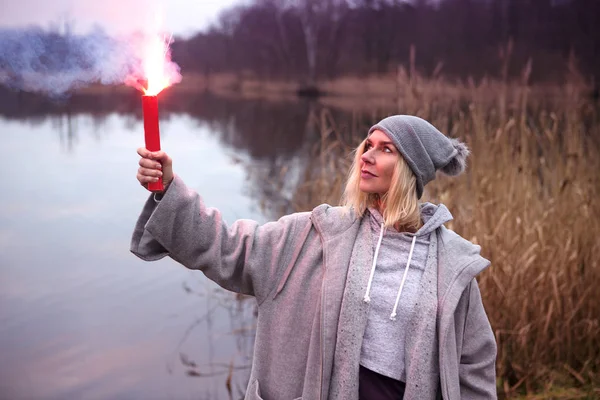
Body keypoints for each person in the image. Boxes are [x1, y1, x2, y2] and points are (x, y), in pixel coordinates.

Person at [131, 115, 497, 400]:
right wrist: (169, 188)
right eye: (367, 145)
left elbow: (474, 360)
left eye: (385, 149)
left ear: (410, 169)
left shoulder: (450, 264)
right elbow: (231, 247)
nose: (366, 156)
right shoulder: (318, 233)